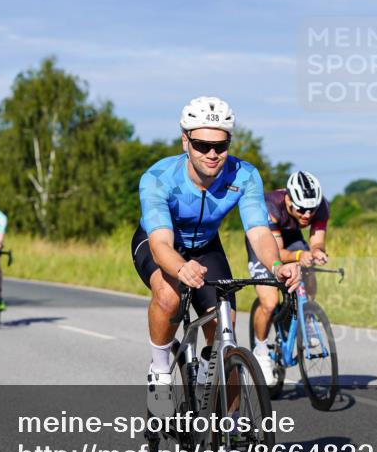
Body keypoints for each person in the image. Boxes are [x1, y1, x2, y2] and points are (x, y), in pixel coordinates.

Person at [131, 96, 301, 406]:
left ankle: (228, 421)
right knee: (169, 295)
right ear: (186, 141)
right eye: (202, 145)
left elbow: (259, 232)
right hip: (161, 242)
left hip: (206, 245)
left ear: (229, 143)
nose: (212, 154)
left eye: (220, 146)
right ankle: (160, 371)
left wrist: (277, 264)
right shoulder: (158, 178)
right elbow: (160, 244)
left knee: (225, 330)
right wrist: (180, 267)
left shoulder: (244, 175)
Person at [247, 171, 330, 380]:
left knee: (309, 270)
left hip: (292, 238)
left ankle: (305, 317)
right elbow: (276, 252)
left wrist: (317, 252)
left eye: (312, 210)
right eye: (302, 209)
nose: (307, 215)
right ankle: (261, 350)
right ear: (288, 199)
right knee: (269, 302)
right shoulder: (270, 206)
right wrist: (299, 255)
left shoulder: (320, 206)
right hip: (265, 241)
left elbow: (317, 240)